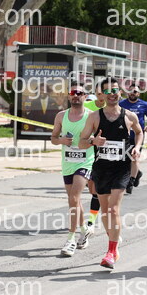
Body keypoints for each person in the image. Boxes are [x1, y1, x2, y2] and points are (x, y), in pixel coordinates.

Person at [79, 78, 143, 269]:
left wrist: (137, 147)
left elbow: (139, 132)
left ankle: (110, 251)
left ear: (120, 92)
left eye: (115, 90)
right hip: (101, 169)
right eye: (107, 91)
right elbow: (81, 142)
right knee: (106, 212)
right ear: (102, 95)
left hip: (121, 168)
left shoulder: (129, 115)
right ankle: (114, 244)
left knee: (114, 209)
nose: (112, 94)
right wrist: (93, 142)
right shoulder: (94, 117)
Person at [51, 85, 95, 256]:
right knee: (74, 200)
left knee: (74, 198)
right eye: (72, 93)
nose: (76, 95)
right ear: (69, 97)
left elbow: (98, 137)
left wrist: (92, 140)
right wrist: (61, 140)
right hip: (68, 162)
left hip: (85, 162)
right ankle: (84, 230)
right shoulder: (61, 116)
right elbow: (53, 138)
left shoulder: (91, 116)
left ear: (85, 96)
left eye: (79, 93)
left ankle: (70, 239)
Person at [119, 85, 147, 194]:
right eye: (130, 91)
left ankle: (131, 182)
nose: (132, 93)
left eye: (135, 91)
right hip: (124, 136)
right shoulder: (121, 104)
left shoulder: (144, 104)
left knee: (134, 157)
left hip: (138, 135)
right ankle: (137, 173)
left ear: (138, 93)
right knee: (125, 159)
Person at [82, 84, 107, 230]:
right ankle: (92, 220)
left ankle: (92, 221)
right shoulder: (87, 106)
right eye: (98, 93)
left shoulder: (113, 107)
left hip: (105, 152)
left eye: (103, 93)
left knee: (98, 191)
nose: (101, 96)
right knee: (93, 190)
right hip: (89, 149)